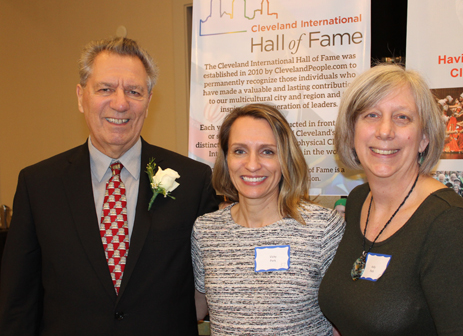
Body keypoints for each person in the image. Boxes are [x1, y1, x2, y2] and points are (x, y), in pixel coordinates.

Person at [0, 37, 218, 335]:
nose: (120, 103)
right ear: (81, 97)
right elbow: (17, 302)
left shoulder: (193, 181)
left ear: (149, 100)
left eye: (134, 91)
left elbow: (211, 288)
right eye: (105, 89)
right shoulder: (38, 185)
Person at [318, 64, 463, 335]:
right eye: (371, 115)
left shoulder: (448, 222)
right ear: (352, 131)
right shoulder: (358, 200)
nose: (385, 131)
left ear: (424, 138)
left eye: (402, 117)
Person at [191, 103, 345, 335]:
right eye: (239, 151)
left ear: (285, 159)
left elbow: (343, 322)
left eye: (267, 151)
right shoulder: (206, 232)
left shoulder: (323, 228)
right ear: (226, 159)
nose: (252, 165)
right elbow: (196, 308)